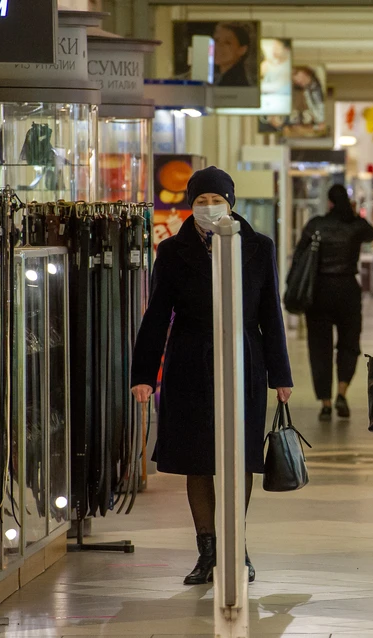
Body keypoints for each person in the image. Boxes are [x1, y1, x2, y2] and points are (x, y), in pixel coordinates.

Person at [130, 166, 292, 585]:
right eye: (200, 201)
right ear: (191, 204)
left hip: (245, 360)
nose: (207, 207)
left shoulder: (258, 247)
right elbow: (156, 316)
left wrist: (282, 375)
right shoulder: (172, 252)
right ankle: (208, 551)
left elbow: (271, 313)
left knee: (239, 457)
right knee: (198, 460)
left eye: (215, 200)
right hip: (190, 362)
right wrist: (143, 373)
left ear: (230, 203)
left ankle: (236, 547)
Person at [297, 184, 373, 421]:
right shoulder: (354, 225)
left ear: (329, 202)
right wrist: (353, 214)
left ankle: (325, 402)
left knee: (319, 348)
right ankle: (342, 392)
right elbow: (371, 233)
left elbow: (301, 254)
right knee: (349, 344)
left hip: (319, 292)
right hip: (347, 291)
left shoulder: (316, 225)